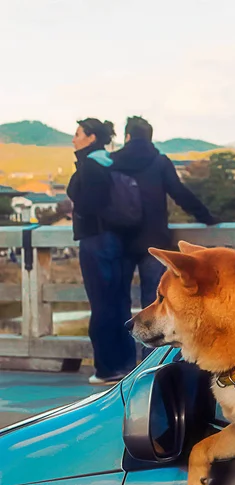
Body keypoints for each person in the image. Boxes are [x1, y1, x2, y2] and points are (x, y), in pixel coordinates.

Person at [110, 116, 217, 357]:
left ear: (127, 136)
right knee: (157, 303)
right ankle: (153, 365)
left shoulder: (112, 162)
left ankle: (123, 365)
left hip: (120, 241)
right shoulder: (159, 162)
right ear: (149, 136)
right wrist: (207, 216)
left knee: (118, 305)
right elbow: (179, 193)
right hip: (154, 240)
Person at [67, 118, 137, 385]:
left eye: (77, 134)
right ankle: (126, 363)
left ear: (91, 137)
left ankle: (107, 369)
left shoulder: (91, 166)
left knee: (101, 304)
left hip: (96, 240)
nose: (74, 140)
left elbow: (89, 203)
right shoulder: (113, 162)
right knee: (120, 302)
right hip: (120, 240)